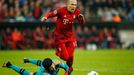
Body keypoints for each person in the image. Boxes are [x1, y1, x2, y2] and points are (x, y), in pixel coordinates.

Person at [41, 0, 85, 74]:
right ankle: (58, 52)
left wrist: (82, 18)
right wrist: (45, 17)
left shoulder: (77, 12)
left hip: (70, 37)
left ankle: (68, 69)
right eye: (72, 4)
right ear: (67, 4)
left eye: (75, 5)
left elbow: (82, 23)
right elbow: (51, 14)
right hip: (60, 38)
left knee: (70, 56)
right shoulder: (61, 10)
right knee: (65, 57)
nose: (74, 6)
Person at [2, 58, 70, 75]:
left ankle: (27, 60)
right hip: (39, 74)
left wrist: (68, 72)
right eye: (50, 67)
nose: (52, 67)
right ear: (47, 68)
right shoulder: (43, 72)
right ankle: (10, 65)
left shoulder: (56, 62)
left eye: (52, 65)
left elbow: (67, 67)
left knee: (41, 62)